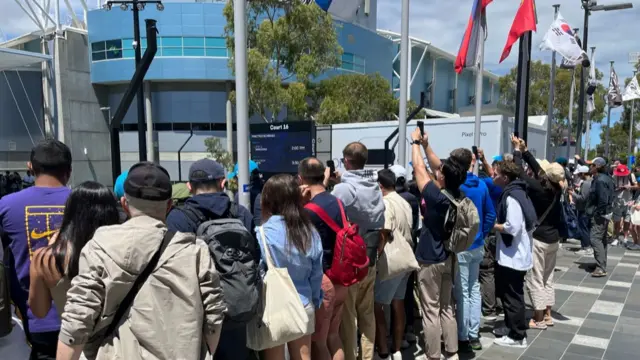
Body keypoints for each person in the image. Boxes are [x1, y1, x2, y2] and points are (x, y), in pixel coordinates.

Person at [56, 162, 226, 360]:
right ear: (169, 205)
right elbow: (214, 318)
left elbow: (76, 322)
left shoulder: (100, 246)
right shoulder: (195, 251)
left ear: (124, 204)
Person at [165, 158, 254, 360]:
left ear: (189, 186)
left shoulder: (178, 218)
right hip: (236, 308)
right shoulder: (240, 214)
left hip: (196, 313)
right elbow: (254, 258)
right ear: (222, 183)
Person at [0, 139, 73, 359]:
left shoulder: (6, 205)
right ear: (68, 170)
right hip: (82, 316)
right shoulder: (85, 201)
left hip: (34, 319)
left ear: (31, 168)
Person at [410, 128, 466, 360]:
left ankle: (433, 354)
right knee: (447, 307)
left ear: (442, 177)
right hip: (449, 255)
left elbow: (419, 169)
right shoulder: (459, 193)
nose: (437, 170)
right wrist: (426, 145)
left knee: (430, 309)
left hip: (430, 257)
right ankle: (451, 352)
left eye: (440, 171)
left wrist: (414, 142)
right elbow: (433, 168)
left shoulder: (435, 196)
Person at [28, 182, 120, 319]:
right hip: (122, 338)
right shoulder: (124, 252)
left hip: (74, 337)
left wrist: (53, 247)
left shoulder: (45, 258)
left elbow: (39, 311)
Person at [257, 173, 323, 360]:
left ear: (268, 200)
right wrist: (316, 299)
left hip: (274, 306)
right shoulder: (310, 232)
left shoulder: (262, 233)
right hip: (304, 303)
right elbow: (316, 273)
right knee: (303, 356)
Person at [330, 142, 385, 360]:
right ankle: (368, 356)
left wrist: (330, 183)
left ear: (346, 161)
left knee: (348, 317)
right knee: (367, 313)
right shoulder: (374, 188)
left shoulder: (344, 189)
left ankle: (351, 356)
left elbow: (329, 210)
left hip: (349, 262)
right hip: (370, 258)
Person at [512, 137, 566, 330]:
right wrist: (526, 152)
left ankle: (539, 318)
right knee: (548, 278)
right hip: (554, 240)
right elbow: (539, 171)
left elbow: (518, 172)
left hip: (540, 239)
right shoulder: (559, 188)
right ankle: (549, 314)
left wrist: (518, 152)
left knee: (535, 278)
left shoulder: (538, 188)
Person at [298, 157, 348, 360]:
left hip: (322, 281)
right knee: (333, 336)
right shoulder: (337, 200)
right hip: (342, 277)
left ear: (300, 178)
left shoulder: (308, 211)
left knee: (318, 342)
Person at [449, 148, 496, 352]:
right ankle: (474, 333)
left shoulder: (456, 186)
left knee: (463, 292)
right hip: (477, 244)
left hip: (461, 245)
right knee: (473, 289)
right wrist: (482, 234)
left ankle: (463, 336)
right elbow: (490, 214)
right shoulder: (482, 186)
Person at [491, 160, 536, 348]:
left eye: (496, 173)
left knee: (513, 297)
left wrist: (493, 226)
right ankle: (512, 328)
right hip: (514, 254)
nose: (493, 175)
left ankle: (518, 336)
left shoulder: (512, 197)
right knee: (511, 294)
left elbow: (513, 227)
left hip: (514, 256)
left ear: (505, 177)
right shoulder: (519, 192)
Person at [373, 169, 414, 360]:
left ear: (380, 186)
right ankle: (397, 349)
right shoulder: (405, 202)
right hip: (406, 259)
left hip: (391, 261)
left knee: (378, 305)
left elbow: (384, 232)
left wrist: (376, 254)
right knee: (399, 305)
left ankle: (382, 348)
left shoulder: (386, 203)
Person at [389, 165, 419, 345]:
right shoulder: (412, 198)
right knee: (406, 292)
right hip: (410, 249)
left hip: (393, 251)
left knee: (391, 295)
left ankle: (393, 333)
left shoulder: (390, 199)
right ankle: (407, 330)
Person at [587, 157, 615, 277]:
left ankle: (601, 267)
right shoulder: (604, 178)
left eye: (592, 165)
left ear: (597, 167)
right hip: (604, 213)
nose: (590, 167)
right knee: (601, 239)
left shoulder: (600, 180)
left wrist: (597, 213)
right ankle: (601, 263)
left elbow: (603, 200)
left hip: (600, 214)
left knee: (595, 239)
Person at [611, 162, 637, 246]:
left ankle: (625, 237)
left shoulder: (631, 176)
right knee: (617, 221)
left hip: (628, 200)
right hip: (617, 200)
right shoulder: (614, 176)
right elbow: (611, 188)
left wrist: (629, 187)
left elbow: (637, 186)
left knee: (627, 220)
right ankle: (616, 238)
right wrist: (618, 188)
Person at [571, 165, 593, 255]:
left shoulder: (586, 183)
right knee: (586, 228)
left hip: (583, 209)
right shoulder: (591, 182)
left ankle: (586, 247)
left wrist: (573, 194)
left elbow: (583, 198)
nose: (579, 176)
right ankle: (587, 246)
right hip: (587, 209)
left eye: (579, 174)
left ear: (583, 173)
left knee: (584, 228)